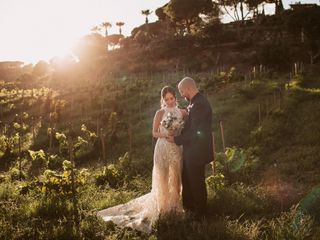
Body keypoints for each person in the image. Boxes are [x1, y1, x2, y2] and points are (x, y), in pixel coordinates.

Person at [97, 86, 187, 233]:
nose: (169, 101)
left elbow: (185, 130)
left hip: (176, 149)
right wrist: (166, 135)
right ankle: (163, 209)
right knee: (162, 178)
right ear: (163, 100)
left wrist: (176, 135)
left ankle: (175, 207)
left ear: (175, 98)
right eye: (166, 99)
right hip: (162, 148)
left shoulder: (183, 112)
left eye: (172, 98)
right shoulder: (160, 113)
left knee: (176, 177)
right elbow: (154, 133)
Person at [167, 77, 213, 219]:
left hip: (197, 151)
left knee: (196, 182)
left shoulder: (199, 104)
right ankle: (191, 209)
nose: (181, 95)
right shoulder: (195, 103)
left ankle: (201, 214)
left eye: (181, 91)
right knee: (189, 180)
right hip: (192, 150)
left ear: (187, 88)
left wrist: (176, 139)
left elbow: (195, 132)